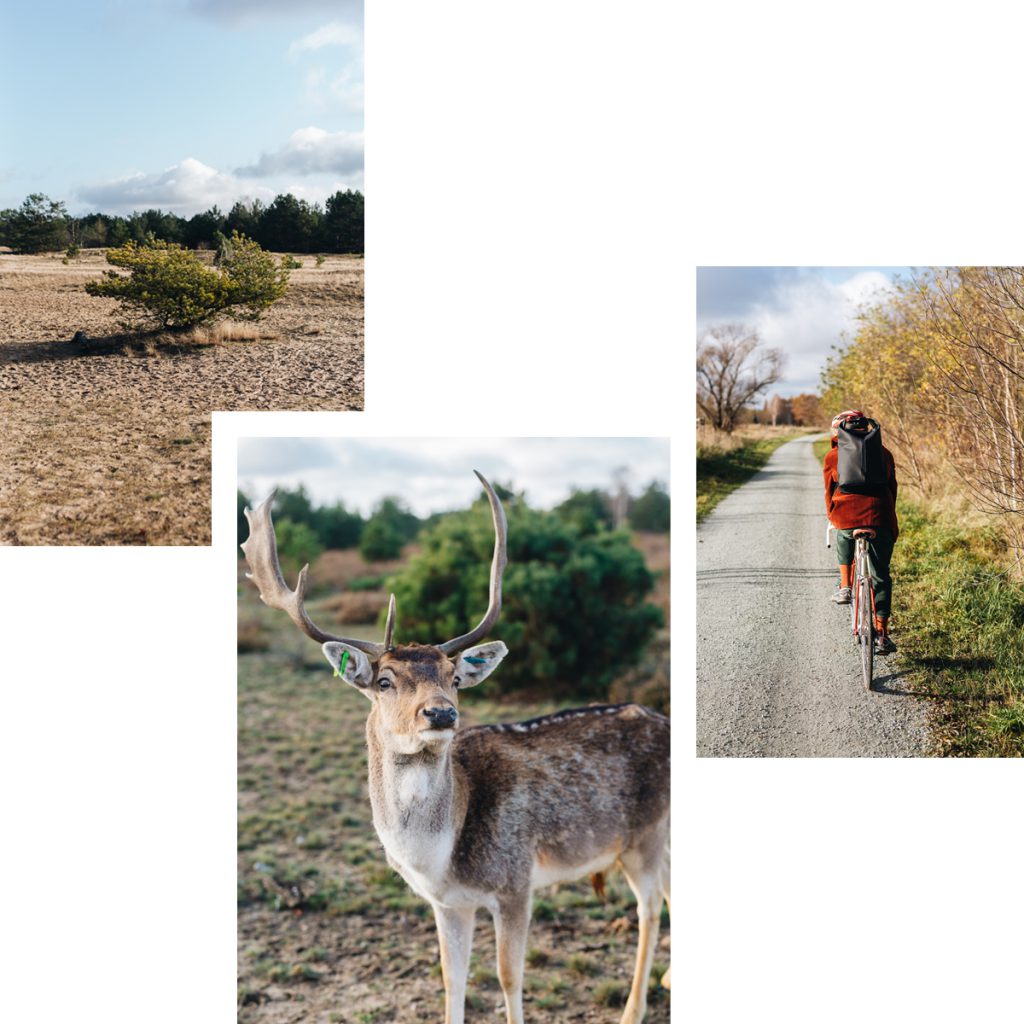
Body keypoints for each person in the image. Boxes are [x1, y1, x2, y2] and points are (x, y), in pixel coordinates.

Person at [823, 410, 899, 654]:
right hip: (881, 518)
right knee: (881, 576)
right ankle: (882, 633)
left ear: (840, 431)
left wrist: (832, 516)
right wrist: (886, 518)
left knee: (843, 535)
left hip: (847, 517)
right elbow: (892, 488)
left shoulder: (833, 456)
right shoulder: (885, 454)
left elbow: (829, 491)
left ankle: (845, 586)